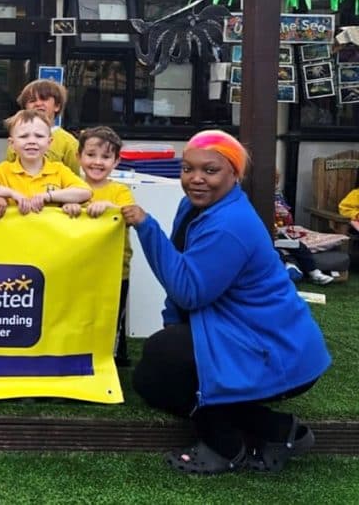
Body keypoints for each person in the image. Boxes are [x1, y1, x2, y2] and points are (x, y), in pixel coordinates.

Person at [122, 130, 331, 475]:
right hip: (236, 332)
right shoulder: (192, 206)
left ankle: (224, 444)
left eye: (210, 170)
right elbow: (184, 264)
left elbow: (190, 289)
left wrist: (147, 227)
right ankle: (277, 429)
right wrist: (172, 321)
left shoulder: (231, 224)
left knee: (165, 357)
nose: (196, 179)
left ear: (234, 174)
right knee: (151, 378)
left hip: (274, 347)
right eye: (187, 169)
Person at [60, 126, 135, 366]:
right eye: (91, 155)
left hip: (115, 272)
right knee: (78, 316)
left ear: (116, 160)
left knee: (111, 319)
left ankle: (111, 363)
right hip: (78, 269)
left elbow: (127, 214)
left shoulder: (120, 190)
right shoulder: (70, 189)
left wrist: (107, 208)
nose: (97, 162)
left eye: (106, 157)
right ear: (79, 157)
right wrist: (68, 208)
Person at [0, 109, 90, 220]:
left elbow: (85, 192)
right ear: (12, 144)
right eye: (24, 136)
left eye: (39, 136)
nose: (32, 141)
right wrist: (11, 194)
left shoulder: (59, 170)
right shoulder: (4, 169)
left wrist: (48, 196)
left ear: (49, 142)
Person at [7, 79, 80, 176]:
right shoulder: (17, 138)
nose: (38, 104)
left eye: (44, 99)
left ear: (57, 106)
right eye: (32, 100)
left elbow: (75, 176)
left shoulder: (69, 142)